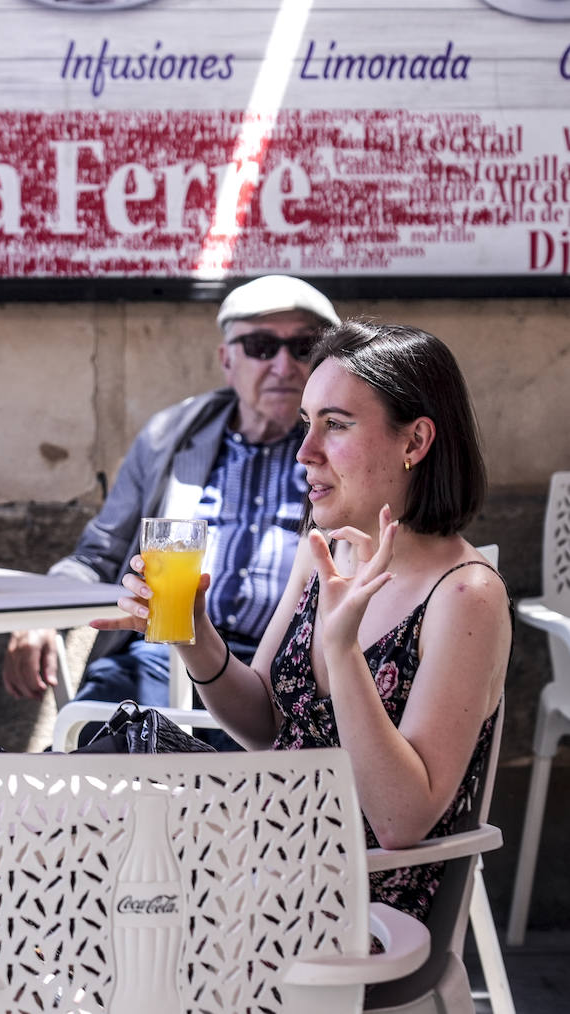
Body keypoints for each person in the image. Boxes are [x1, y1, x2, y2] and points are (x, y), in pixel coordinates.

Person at [96, 320, 511, 924]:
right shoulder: (322, 549)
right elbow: (265, 724)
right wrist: (192, 632)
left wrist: (342, 652)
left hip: (354, 903)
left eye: (335, 425)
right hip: (260, 852)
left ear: (415, 442)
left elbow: (399, 822)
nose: (304, 450)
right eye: (307, 423)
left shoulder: (465, 594)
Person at [3, 275, 340, 719]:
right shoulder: (171, 437)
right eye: (260, 346)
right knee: (92, 745)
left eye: (304, 348)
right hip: (165, 657)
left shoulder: (343, 448)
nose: (283, 365)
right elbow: (97, 557)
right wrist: (40, 612)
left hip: (290, 671)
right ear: (226, 360)